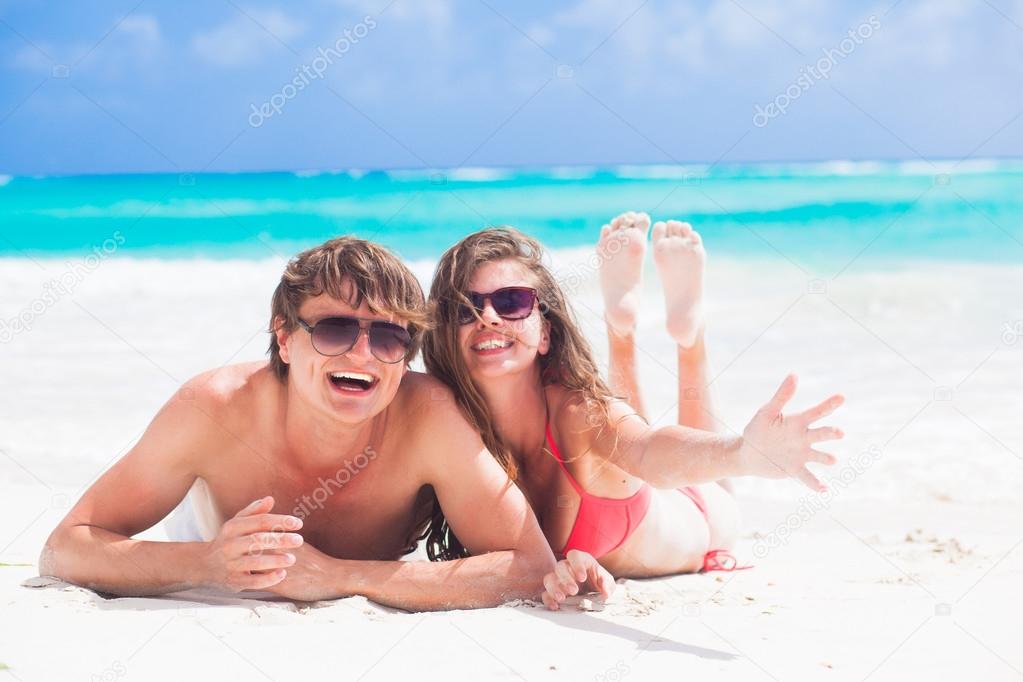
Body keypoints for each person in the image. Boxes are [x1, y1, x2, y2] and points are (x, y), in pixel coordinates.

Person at [39, 236, 555, 611]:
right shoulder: (213, 408)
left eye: (388, 338)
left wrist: (336, 577)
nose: (362, 353)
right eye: (334, 328)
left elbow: (532, 568)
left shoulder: (427, 417)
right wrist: (207, 564)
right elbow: (65, 549)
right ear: (284, 338)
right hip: (211, 537)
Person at [422, 214, 844, 610]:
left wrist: (741, 453)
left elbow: (647, 450)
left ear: (546, 333)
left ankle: (686, 336)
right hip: (633, 488)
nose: (487, 317)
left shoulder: (577, 413)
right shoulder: (455, 428)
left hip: (700, 514)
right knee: (625, 439)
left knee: (704, 482)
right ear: (446, 333)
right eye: (465, 308)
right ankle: (628, 326)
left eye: (511, 301)